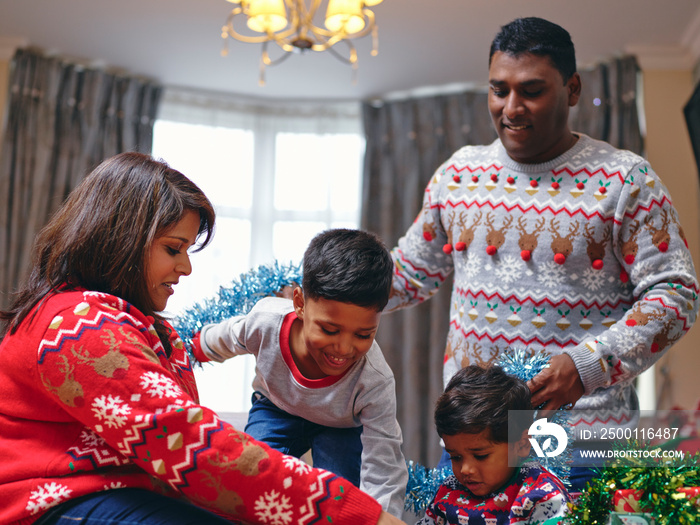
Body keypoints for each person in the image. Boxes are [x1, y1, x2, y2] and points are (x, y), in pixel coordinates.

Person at [0, 153, 406, 525]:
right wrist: (358, 514)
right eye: (174, 248)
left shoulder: (122, 323)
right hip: (49, 503)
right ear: (118, 238)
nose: (187, 267)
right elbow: (188, 441)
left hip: (115, 494)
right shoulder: (78, 328)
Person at [386, 16, 699, 490]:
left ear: (572, 90)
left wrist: (588, 364)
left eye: (532, 90)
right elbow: (408, 271)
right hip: (473, 441)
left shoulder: (626, 180)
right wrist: (318, 290)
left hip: (581, 444)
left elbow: (676, 294)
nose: (511, 108)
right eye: (499, 89)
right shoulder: (458, 174)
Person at [192, 228, 408, 517]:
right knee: (251, 473)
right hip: (276, 409)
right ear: (300, 304)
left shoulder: (374, 380)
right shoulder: (265, 322)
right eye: (330, 330)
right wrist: (191, 347)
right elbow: (229, 336)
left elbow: (383, 464)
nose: (344, 348)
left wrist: (380, 519)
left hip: (340, 427)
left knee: (342, 497)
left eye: (363, 334)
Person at [416, 365, 570, 524]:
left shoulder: (542, 496)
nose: (465, 469)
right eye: (456, 457)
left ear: (522, 444)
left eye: (480, 456)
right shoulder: (449, 491)